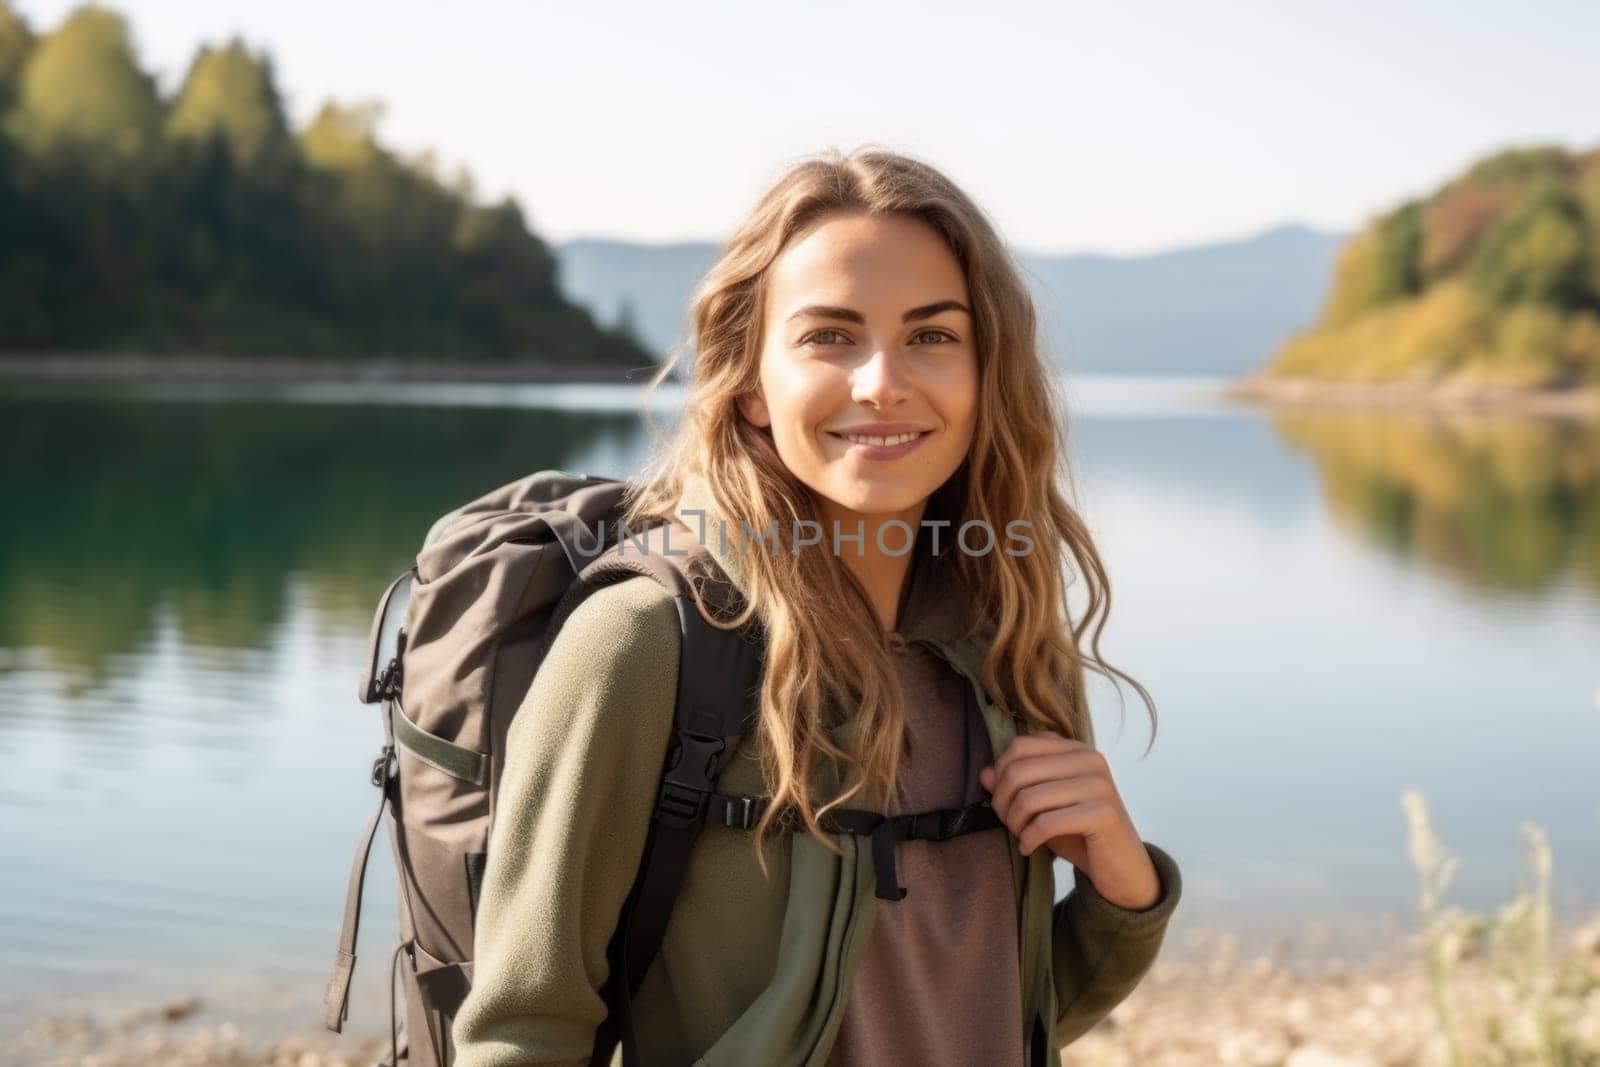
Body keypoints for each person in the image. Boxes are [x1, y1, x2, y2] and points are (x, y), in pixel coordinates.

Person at [451, 146, 1182, 1066]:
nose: (883, 381)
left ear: (984, 372)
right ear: (752, 386)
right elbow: (522, 1030)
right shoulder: (647, 643)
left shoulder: (1006, 649)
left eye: (933, 335)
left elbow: (990, 1007)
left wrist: (1123, 880)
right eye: (829, 336)